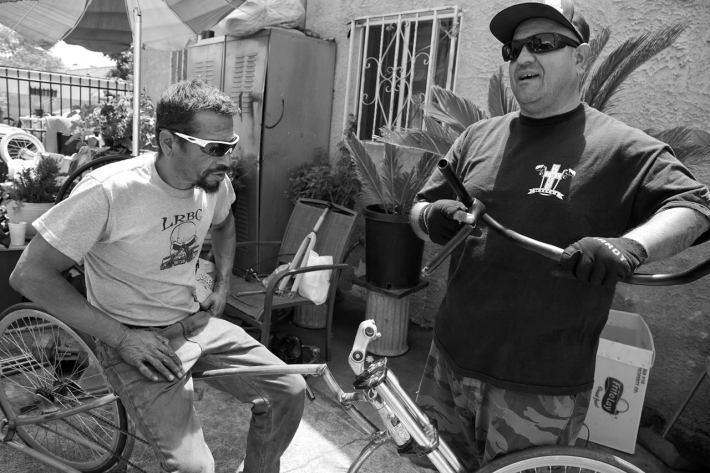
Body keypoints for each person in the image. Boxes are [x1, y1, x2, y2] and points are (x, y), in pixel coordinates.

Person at [409, 0, 710, 469]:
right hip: (447, 364)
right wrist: (432, 217)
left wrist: (629, 247)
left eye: (543, 43)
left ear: (582, 58)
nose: (524, 57)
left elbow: (696, 206)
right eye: (514, 49)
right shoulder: (477, 137)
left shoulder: (621, 147)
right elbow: (418, 206)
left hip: (539, 393)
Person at [10, 79, 306, 473]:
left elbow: (224, 224)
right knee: (195, 468)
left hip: (194, 323)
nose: (227, 159)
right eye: (215, 149)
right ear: (169, 142)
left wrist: (222, 285)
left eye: (231, 147)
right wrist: (121, 339)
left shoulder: (213, 183)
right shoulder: (110, 191)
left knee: (288, 389)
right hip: (135, 337)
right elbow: (29, 274)